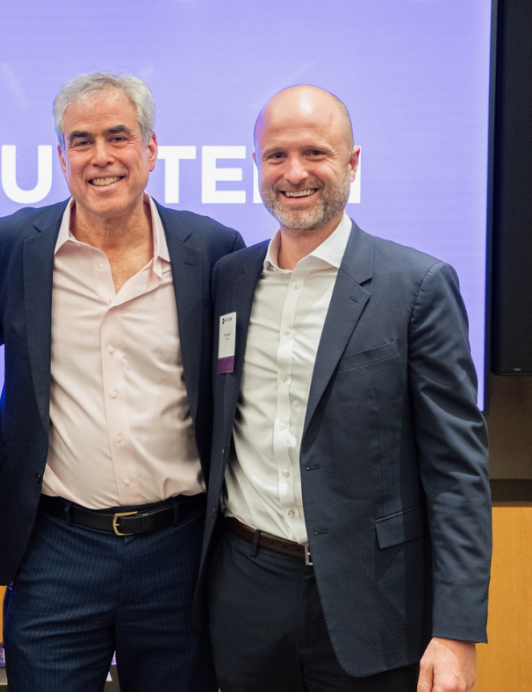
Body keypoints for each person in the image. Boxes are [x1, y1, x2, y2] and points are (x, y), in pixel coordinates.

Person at [199, 85, 491, 692]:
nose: (294, 172)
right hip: (245, 598)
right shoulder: (229, 278)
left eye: (315, 153)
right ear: (256, 165)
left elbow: (457, 472)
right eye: (276, 155)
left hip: (373, 603)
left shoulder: (417, 286)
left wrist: (457, 630)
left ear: (353, 163)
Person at [0, 72, 244, 692]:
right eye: (80, 141)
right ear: (62, 157)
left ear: (149, 149)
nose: (100, 157)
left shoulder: (213, 249)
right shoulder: (17, 245)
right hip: (56, 548)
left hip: (179, 550)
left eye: (118, 137)